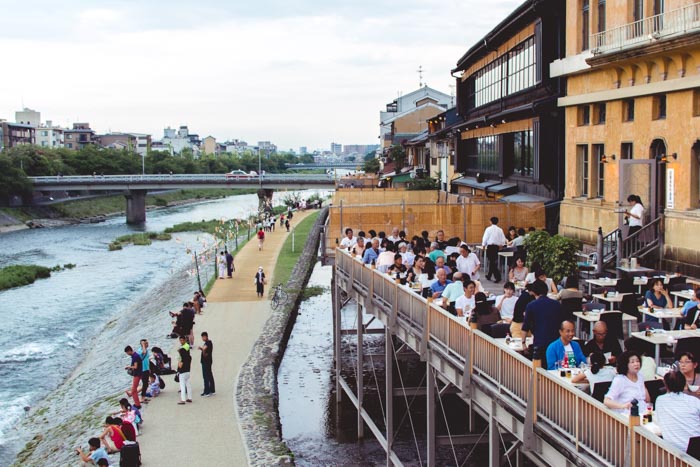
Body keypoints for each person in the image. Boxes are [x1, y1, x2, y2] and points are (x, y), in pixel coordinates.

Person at [655, 370, 700, 451]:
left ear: (665, 385)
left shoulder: (660, 400)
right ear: (684, 384)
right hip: (695, 449)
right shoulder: (694, 401)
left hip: (673, 451)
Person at [522, 280, 562, 362]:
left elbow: (525, 327)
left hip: (539, 344)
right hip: (556, 343)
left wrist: (523, 343)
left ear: (533, 292)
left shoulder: (531, 305)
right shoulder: (557, 304)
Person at [482, 216, 506, 283]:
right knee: (492, 261)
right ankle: (489, 275)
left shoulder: (488, 229)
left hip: (490, 246)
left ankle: (498, 277)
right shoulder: (500, 229)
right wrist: (501, 244)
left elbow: (485, 237)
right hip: (496, 247)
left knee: (492, 262)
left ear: (491, 221)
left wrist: (483, 245)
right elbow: (503, 238)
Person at [199, 331, 215, 397]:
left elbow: (205, 354)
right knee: (209, 375)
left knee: (206, 376)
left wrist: (202, 350)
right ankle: (212, 389)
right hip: (207, 361)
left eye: (203, 337)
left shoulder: (208, 344)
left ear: (206, 336)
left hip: (206, 362)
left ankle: (207, 391)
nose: (203, 338)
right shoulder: (208, 343)